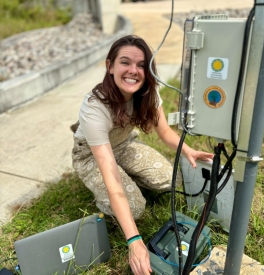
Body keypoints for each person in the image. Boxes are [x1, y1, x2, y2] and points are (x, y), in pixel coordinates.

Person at [71, 35, 213, 275]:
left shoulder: (148, 93)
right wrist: (134, 240)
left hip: (124, 146)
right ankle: (102, 197)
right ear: (110, 66)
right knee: (135, 207)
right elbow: (111, 176)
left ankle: (130, 180)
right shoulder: (95, 107)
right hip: (92, 157)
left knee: (171, 179)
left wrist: (187, 150)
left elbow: (165, 131)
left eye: (141, 65)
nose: (133, 71)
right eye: (125, 62)